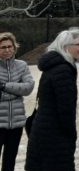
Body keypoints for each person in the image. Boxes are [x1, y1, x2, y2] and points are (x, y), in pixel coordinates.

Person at [24, 27, 79, 171]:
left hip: (41, 132)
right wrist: (71, 136)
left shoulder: (52, 66)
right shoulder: (63, 70)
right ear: (66, 47)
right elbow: (66, 110)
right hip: (54, 136)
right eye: (78, 45)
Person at [0, 32, 33, 171]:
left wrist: (4, 86)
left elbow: (28, 88)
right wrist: (15, 90)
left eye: (10, 46)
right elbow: (21, 88)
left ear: (14, 47)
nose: (7, 50)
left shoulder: (22, 65)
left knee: (10, 161)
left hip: (17, 122)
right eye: (3, 47)